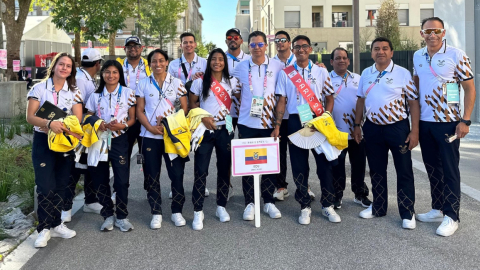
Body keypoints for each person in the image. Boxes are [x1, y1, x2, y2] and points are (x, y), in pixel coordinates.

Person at [413, 17, 476, 237]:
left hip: (448, 121)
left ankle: (452, 215)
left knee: (450, 169)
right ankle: (437, 208)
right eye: (428, 31)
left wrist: (465, 120)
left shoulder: (456, 55)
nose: (432, 35)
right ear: (422, 33)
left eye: (436, 30)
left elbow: (469, 89)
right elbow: (417, 84)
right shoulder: (417, 55)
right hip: (425, 122)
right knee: (432, 167)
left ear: (443, 32)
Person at [273, 35, 340, 225]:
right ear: (293, 50)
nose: (300, 50)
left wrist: (326, 115)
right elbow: (282, 101)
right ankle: (304, 206)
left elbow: (329, 97)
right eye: (297, 47)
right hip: (295, 120)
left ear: (310, 49)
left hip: (317, 119)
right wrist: (278, 126)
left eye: (304, 46)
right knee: (299, 165)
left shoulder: (320, 72)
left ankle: (327, 205)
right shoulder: (285, 73)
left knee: (324, 164)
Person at [353, 37, 419, 230]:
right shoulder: (366, 73)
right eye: (376, 49)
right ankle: (379, 207)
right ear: (371, 52)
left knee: (404, 170)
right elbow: (360, 100)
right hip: (372, 128)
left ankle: (407, 212)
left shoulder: (402, 74)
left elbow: (413, 102)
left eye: (384, 49)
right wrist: (357, 125)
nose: (380, 52)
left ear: (391, 52)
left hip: (397, 128)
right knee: (376, 170)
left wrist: (415, 131)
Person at [27, 52, 83, 248]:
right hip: (43, 142)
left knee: (61, 185)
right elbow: (30, 117)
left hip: (65, 142)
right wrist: (49, 123)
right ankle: (43, 229)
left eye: (68, 66)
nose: (64, 68)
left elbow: (77, 121)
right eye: (61, 64)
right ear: (54, 65)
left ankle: (57, 224)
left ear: (71, 71)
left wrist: (63, 127)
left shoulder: (74, 92)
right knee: (45, 186)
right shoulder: (39, 88)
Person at [231, 31, 284, 221]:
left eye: (260, 44)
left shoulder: (278, 66)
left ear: (266, 46)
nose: (256, 48)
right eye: (253, 45)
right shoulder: (240, 67)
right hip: (246, 123)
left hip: (270, 124)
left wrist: (277, 125)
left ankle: (268, 201)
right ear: (248, 46)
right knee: (248, 165)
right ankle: (250, 203)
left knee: (269, 165)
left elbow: (284, 94)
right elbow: (219, 76)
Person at [136, 49, 189, 229]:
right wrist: (151, 128)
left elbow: (184, 109)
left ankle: (177, 211)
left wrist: (169, 125)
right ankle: (156, 212)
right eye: (153, 61)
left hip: (172, 136)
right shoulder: (143, 83)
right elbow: (139, 111)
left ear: (167, 62)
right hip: (149, 136)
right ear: (149, 64)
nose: (157, 64)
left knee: (177, 174)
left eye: (161, 61)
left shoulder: (177, 83)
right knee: (152, 176)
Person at [189, 48, 237, 230]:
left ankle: (221, 206)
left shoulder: (232, 82)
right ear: (209, 62)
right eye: (214, 59)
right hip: (205, 130)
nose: (217, 62)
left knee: (224, 169)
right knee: (201, 170)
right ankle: (197, 210)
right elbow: (192, 102)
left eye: (221, 59)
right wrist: (202, 117)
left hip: (226, 128)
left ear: (225, 62)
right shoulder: (200, 81)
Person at [85, 60, 136, 232]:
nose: (111, 75)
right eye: (107, 72)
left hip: (119, 139)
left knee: (121, 180)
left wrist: (124, 126)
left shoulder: (128, 93)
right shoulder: (95, 95)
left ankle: (122, 216)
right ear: (102, 74)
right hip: (99, 140)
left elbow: (132, 118)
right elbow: (87, 116)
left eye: (115, 72)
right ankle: (107, 215)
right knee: (100, 178)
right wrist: (96, 122)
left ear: (120, 74)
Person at [62, 48, 103, 223]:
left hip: (87, 130)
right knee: (74, 169)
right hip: (77, 131)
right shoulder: (80, 79)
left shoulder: (86, 78)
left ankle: (91, 200)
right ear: (97, 64)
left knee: (88, 166)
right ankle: (66, 208)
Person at [329, 47, 372, 209]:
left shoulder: (358, 79)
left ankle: (360, 194)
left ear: (348, 61)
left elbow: (365, 100)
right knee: (337, 166)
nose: (341, 61)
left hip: (357, 131)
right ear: (332, 61)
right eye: (337, 58)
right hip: (336, 132)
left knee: (359, 164)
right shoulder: (326, 79)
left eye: (344, 58)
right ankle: (337, 195)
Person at [167, 32, 208, 198]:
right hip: (179, 112)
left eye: (191, 42)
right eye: (185, 43)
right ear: (181, 45)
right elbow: (169, 85)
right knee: (178, 149)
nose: (188, 45)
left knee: (200, 151)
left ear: (195, 44)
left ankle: (201, 184)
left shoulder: (205, 63)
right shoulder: (173, 65)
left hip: (197, 112)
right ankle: (175, 185)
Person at [116, 36, 150, 186]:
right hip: (124, 116)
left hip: (145, 115)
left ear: (141, 48)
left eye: (136, 46)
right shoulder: (117, 66)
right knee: (123, 154)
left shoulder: (150, 65)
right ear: (125, 49)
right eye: (129, 46)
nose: (133, 49)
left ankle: (150, 187)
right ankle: (120, 189)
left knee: (147, 153)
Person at [225, 28, 251, 130]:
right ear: (226, 41)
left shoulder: (249, 59)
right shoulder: (219, 59)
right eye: (229, 37)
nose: (233, 39)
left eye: (236, 37)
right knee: (227, 138)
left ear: (241, 40)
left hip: (244, 110)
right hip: (227, 111)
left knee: (243, 140)